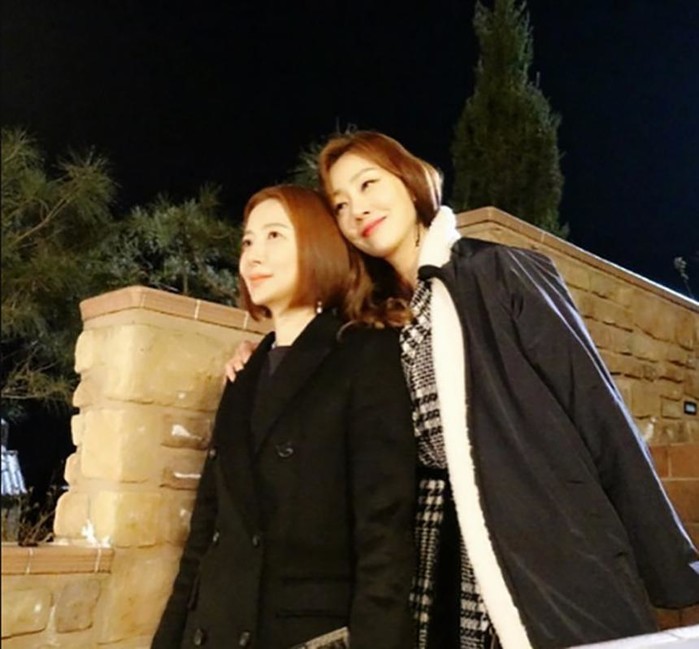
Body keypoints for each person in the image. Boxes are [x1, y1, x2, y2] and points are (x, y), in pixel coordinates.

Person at [226, 132, 699, 649]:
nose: (357, 209)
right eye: (340, 204)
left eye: (368, 184)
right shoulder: (372, 322)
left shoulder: (499, 272)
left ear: (410, 182)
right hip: (430, 551)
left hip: (534, 533)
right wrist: (260, 356)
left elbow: (595, 407)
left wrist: (669, 562)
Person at [153, 185, 417, 649]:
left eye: (275, 235)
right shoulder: (244, 373)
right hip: (211, 628)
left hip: (303, 632)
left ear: (319, 246)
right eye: (248, 241)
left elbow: (385, 534)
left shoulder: (364, 355)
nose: (253, 255)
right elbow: (205, 530)